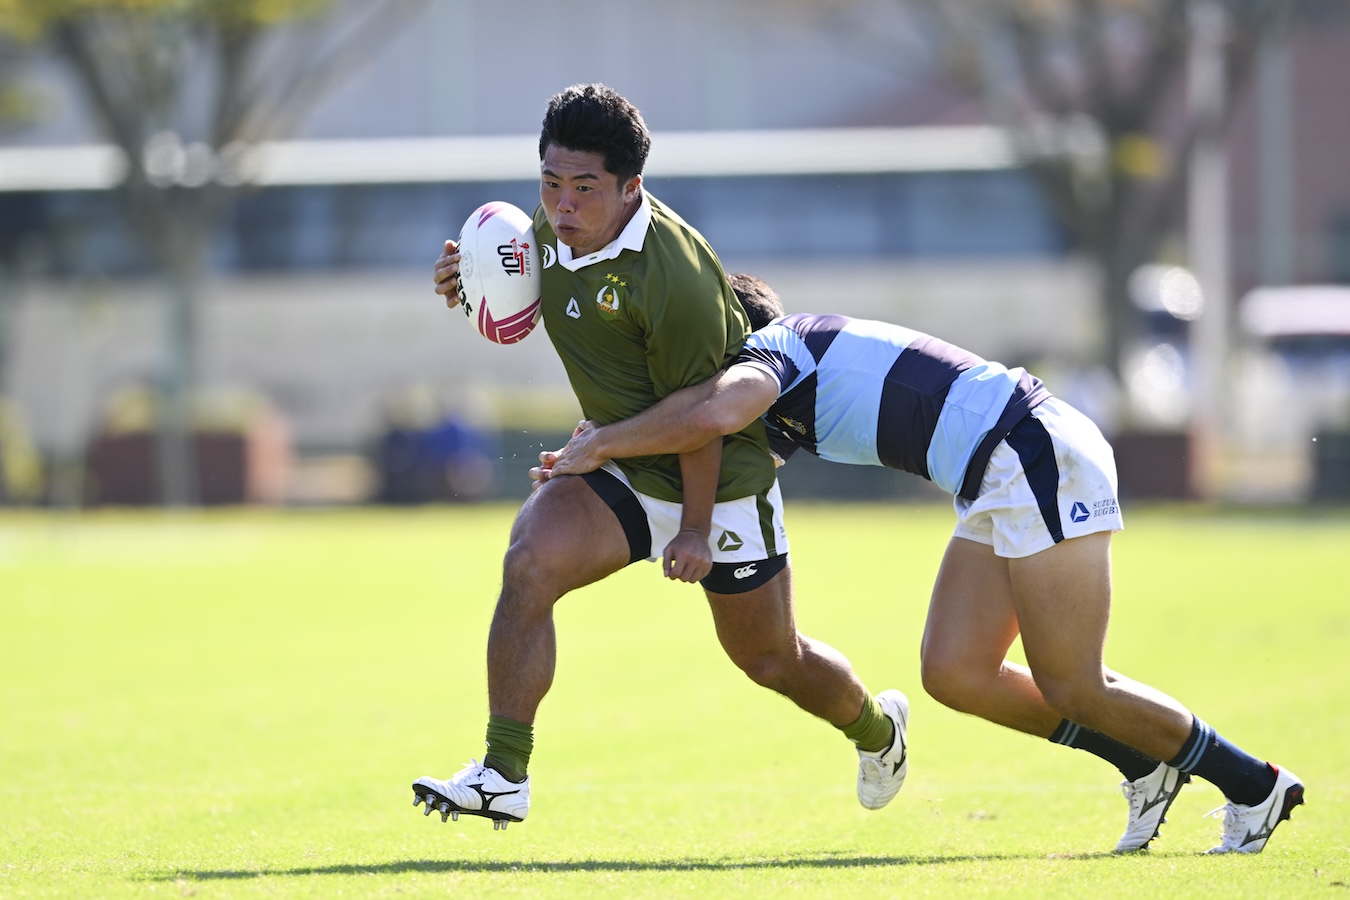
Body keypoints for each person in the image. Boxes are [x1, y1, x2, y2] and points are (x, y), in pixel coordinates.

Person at [538, 273, 1305, 854]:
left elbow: (714, 411)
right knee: (955, 671)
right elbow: (697, 451)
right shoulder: (778, 402)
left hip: (1030, 447)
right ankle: (1142, 762)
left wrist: (606, 440)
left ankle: (1254, 784)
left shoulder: (777, 349)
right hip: (995, 472)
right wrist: (594, 460)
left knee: (1074, 678)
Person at [412, 86, 908, 831]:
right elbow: (517, 300)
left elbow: (703, 419)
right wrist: (468, 282)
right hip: (618, 457)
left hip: (721, 475)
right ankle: (502, 774)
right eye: (551, 182)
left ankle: (879, 730)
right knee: (529, 563)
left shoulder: (673, 271)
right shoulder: (543, 227)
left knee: (772, 661)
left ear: (631, 187)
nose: (563, 204)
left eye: (585, 188)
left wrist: (695, 529)